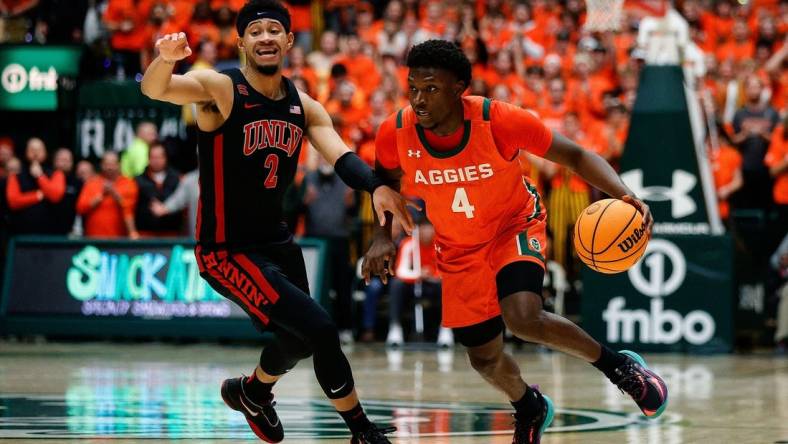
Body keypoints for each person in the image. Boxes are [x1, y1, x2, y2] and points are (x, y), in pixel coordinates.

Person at [362, 40, 668, 444]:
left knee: (522, 315)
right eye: (413, 88)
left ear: (460, 88)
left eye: (431, 89)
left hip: (514, 224)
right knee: (483, 359)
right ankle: (529, 406)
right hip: (457, 247)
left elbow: (575, 155)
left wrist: (622, 193)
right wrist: (382, 236)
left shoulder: (498, 119)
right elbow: (384, 181)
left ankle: (619, 368)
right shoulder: (395, 131)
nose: (418, 100)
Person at [140, 1, 413, 442]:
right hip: (227, 250)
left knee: (301, 340)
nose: (265, 37)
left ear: (289, 40)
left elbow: (341, 155)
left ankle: (251, 392)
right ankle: (361, 430)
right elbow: (157, 89)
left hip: (278, 244)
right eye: (255, 31)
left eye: (274, 30)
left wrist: (375, 186)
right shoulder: (220, 87)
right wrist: (165, 60)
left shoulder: (303, 106)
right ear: (241, 41)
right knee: (322, 328)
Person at [5, 138, 66, 235]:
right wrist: (37, 196)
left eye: (39, 150)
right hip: (21, 234)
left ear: (45, 153)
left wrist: (40, 176)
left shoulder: (56, 174)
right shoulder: (16, 176)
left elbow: (55, 196)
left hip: (50, 233)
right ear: (26, 152)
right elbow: (13, 202)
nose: (35, 153)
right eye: (32, 150)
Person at [76, 152, 139, 239]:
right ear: (101, 165)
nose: (110, 167)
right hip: (93, 238)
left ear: (119, 165)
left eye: (113, 164)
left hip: (119, 239)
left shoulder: (129, 183)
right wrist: (99, 197)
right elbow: (80, 208)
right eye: (106, 164)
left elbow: (130, 209)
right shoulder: (92, 183)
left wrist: (116, 195)